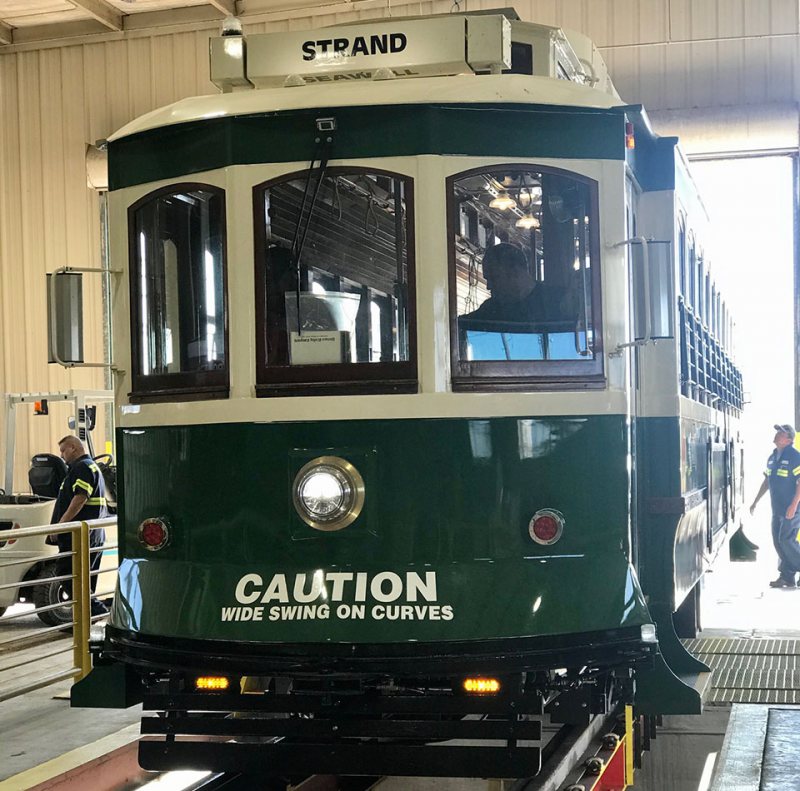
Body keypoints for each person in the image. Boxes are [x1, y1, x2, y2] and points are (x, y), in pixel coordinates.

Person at [49, 435, 109, 616]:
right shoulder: (90, 466)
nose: (61, 455)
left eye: (63, 450)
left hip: (79, 536)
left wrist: (61, 524)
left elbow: (80, 498)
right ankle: (83, 625)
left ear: (74, 448)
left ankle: (97, 613)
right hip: (92, 534)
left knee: (68, 575)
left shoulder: (81, 467)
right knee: (83, 580)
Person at [750, 424, 800, 589]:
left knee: (786, 540)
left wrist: (793, 506)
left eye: (781, 433)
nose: (777, 434)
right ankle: (787, 577)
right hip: (777, 508)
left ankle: (789, 573)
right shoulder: (772, 457)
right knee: (778, 543)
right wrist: (755, 501)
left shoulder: (795, 457)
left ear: (789, 439)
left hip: (792, 508)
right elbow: (767, 481)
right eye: (777, 432)